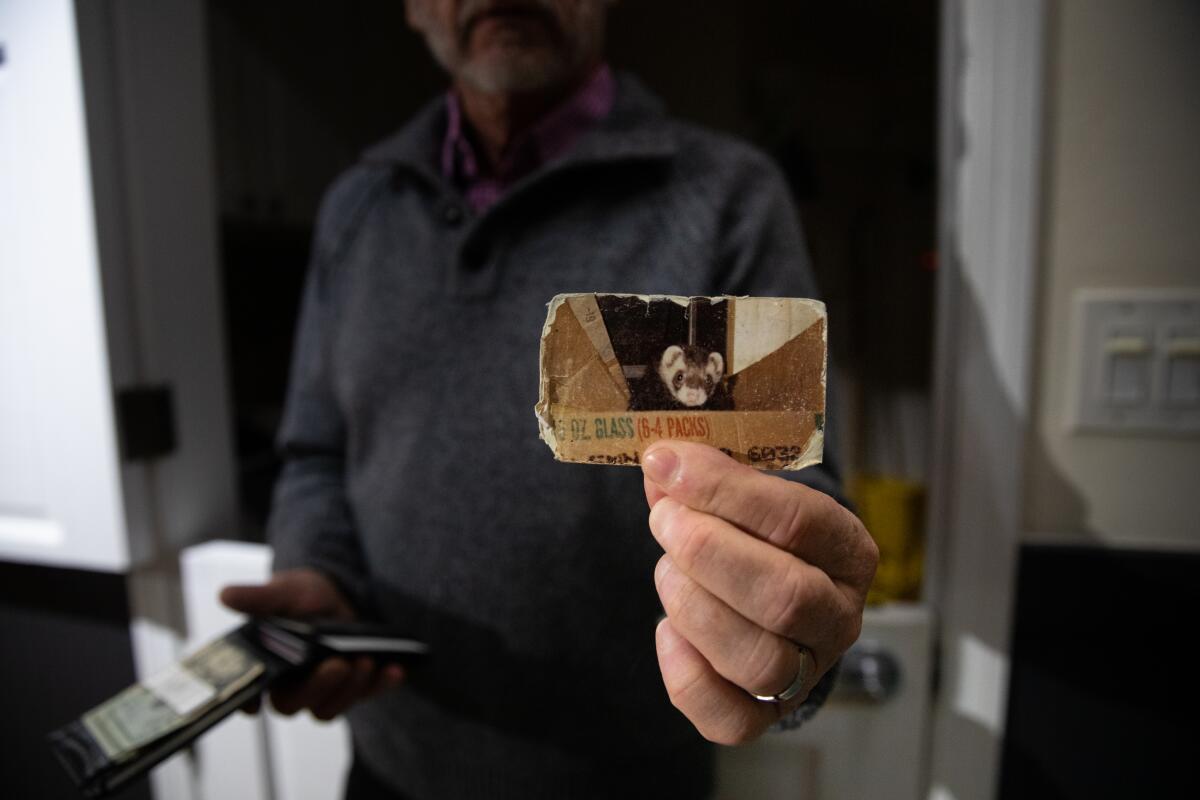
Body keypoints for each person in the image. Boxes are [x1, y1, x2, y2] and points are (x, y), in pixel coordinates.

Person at [220, 1, 878, 798]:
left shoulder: (727, 196)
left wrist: (788, 635)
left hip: (626, 782)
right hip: (390, 770)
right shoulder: (356, 210)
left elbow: (790, 495)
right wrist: (318, 573)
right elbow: (316, 453)